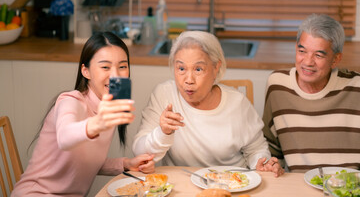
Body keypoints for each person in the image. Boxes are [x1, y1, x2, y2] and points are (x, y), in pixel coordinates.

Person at [12, 32, 155, 196]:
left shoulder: (108, 106)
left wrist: (127, 164)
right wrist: (96, 124)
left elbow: (86, 163)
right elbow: (65, 137)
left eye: (122, 66)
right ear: (85, 71)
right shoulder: (71, 101)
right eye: (105, 67)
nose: (116, 75)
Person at [132, 30, 284, 177]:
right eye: (181, 68)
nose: (189, 79)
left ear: (216, 67)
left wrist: (261, 164)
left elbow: (256, 149)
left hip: (232, 185)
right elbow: (139, 153)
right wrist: (163, 133)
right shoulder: (164, 95)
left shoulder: (237, 103)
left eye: (198, 69)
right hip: (182, 188)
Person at [262, 14, 360, 173]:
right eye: (302, 51)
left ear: (336, 59)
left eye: (318, 55)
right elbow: (272, 146)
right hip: (298, 187)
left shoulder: (356, 87)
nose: (307, 62)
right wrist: (271, 165)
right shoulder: (278, 85)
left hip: (350, 187)